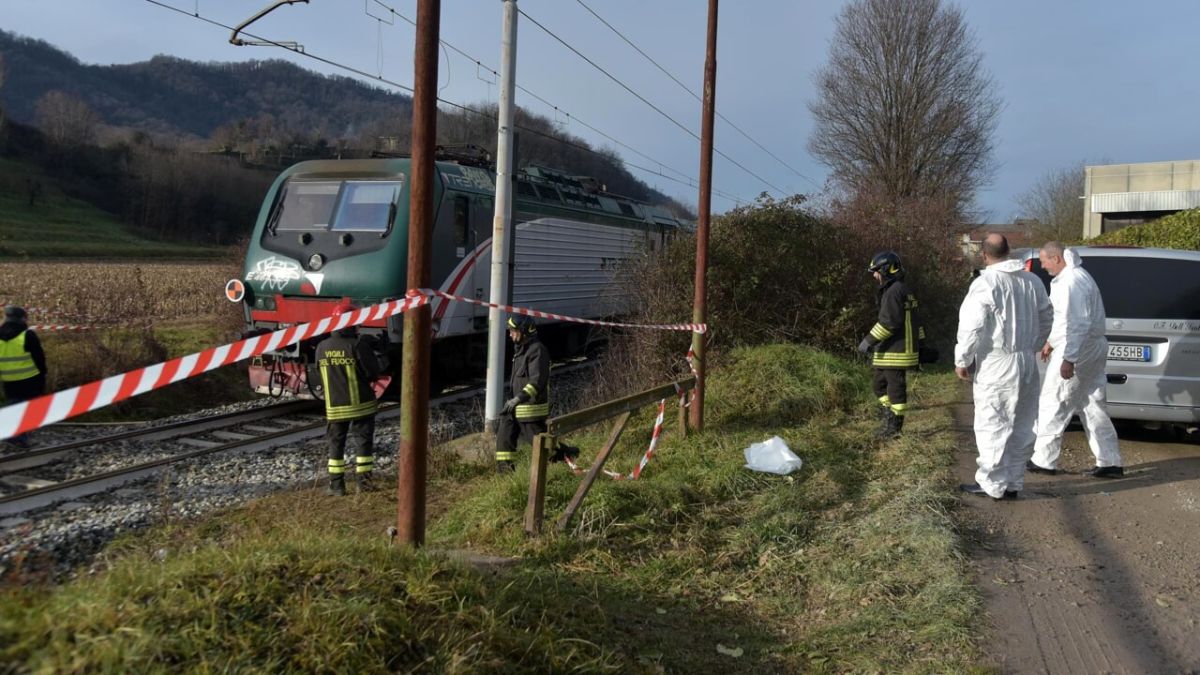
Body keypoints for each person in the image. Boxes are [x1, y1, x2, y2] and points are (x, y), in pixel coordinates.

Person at [955, 234, 1052, 500]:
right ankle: (1013, 482)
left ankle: (992, 483)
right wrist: (1035, 344)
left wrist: (962, 359)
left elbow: (972, 326)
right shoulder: (1032, 282)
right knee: (1022, 421)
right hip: (1026, 361)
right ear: (1009, 252)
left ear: (984, 255)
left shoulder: (985, 283)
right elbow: (1047, 318)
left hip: (997, 361)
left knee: (992, 421)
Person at [1028, 242, 1123, 478]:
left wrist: (1069, 358)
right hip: (1089, 346)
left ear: (1057, 258)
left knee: (1055, 399)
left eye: (1044, 260)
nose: (1042, 265)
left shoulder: (1071, 282)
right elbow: (1064, 319)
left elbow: (1077, 323)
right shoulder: (1077, 277)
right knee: (1091, 403)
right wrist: (1051, 341)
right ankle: (1110, 461)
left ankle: (1044, 460)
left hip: (1080, 347)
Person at [495, 315, 578, 474]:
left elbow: (536, 382)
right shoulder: (520, 350)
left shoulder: (537, 351)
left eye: (513, 331)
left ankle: (565, 456)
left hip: (530, 410)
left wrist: (518, 399)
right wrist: (513, 402)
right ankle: (506, 477)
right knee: (503, 442)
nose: (510, 334)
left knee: (542, 447)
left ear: (524, 332)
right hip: (514, 408)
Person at [314, 301, 382, 495]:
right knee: (363, 443)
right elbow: (373, 373)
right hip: (362, 405)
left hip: (334, 406)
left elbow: (320, 373)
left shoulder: (321, 347)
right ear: (353, 324)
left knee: (336, 444)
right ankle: (364, 484)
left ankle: (336, 486)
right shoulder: (358, 345)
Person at [858, 250, 924, 438]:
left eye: (876, 272)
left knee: (895, 389)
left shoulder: (894, 292)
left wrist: (868, 341)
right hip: (893, 350)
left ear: (887, 269)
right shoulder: (903, 289)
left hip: (896, 351)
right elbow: (918, 321)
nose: (875, 276)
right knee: (878, 386)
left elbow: (889, 323)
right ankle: (889, 415)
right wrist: (921, 346)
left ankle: (894, 428)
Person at [0, 306, 47, 449]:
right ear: (22, 318)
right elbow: (39, 357)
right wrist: (43, 373)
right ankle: (19, 437)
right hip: (30, 378)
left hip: (9, 379)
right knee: (29, 408)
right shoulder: (27, 335)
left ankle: (14, 435)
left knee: (14, 405)